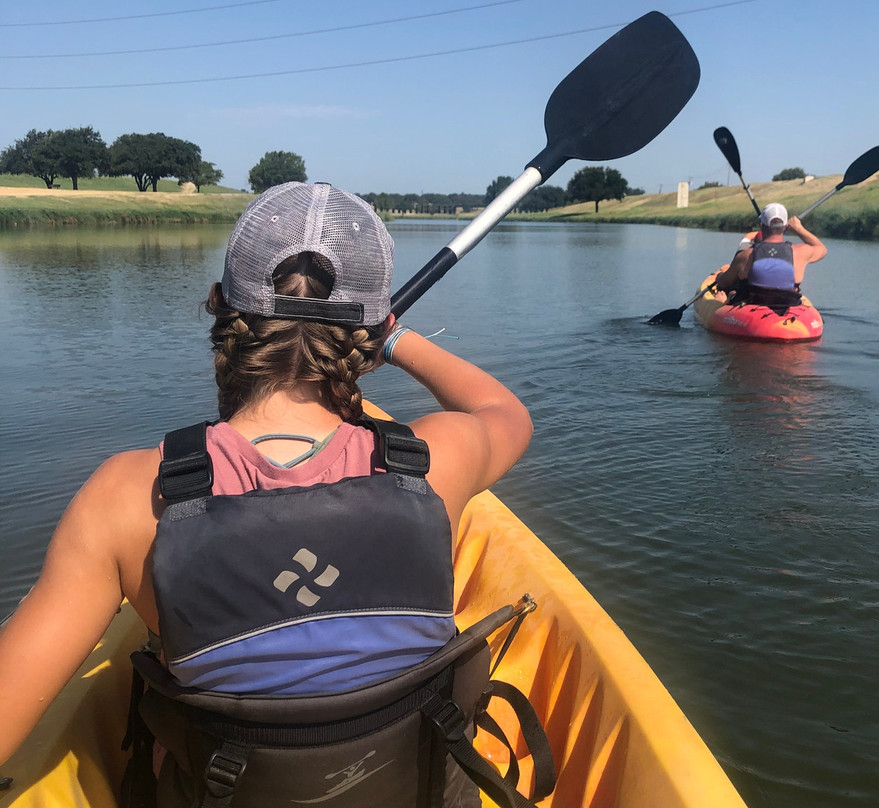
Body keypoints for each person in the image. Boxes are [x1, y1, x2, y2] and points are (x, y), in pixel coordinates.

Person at [0, 182, 534, 801]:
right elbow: (506, 412)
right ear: (371, 321)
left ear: (220, 303)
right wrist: (394, 339)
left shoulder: (126, 498)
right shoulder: (437, 463)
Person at [711, 202, 827, 307]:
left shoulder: (745, 256)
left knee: (731, 291)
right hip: (788, 307)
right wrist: (799, 228)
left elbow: (723, 282)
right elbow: (821, 249)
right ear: (785, 227)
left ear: (761, 226)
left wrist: (719, 277)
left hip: (751, 308)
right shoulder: (800, 252)